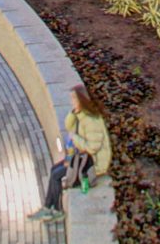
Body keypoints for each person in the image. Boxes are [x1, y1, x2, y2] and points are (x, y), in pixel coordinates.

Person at [28, 85, 111, 220]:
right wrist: (73, 113)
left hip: (91, 165)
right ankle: (49, 208)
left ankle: (55, 210)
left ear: (81, 99)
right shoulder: (81, 115)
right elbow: (68, 126)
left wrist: (75, 138)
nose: (71, 101)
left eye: (74, 98)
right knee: (54, 169)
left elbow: (92, 148)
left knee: (56, 175)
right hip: (82, 158)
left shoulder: (91, 121)